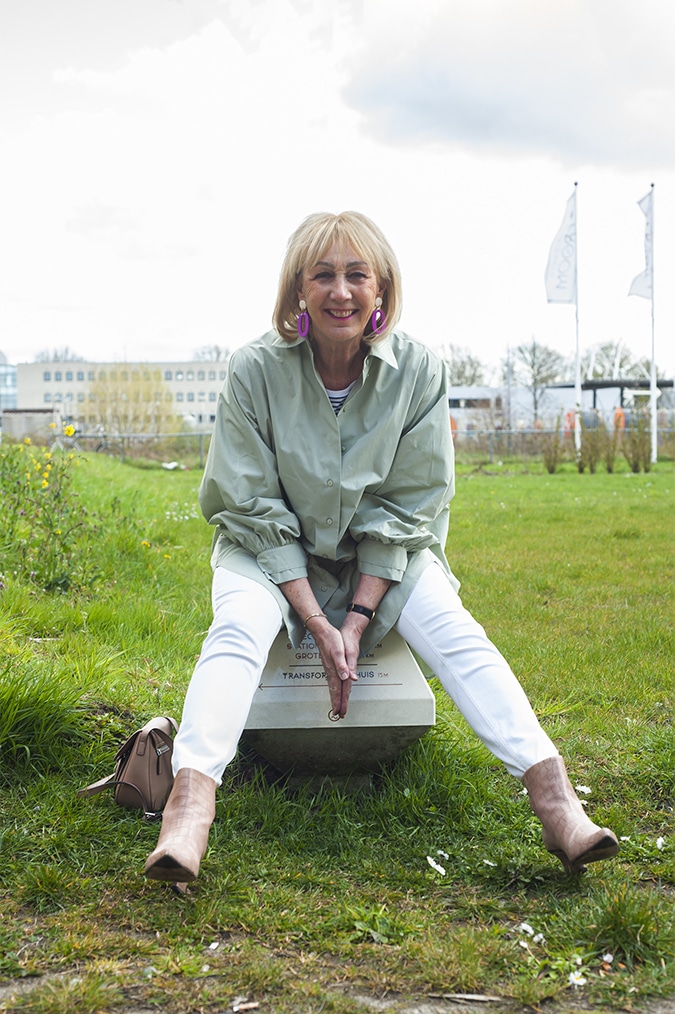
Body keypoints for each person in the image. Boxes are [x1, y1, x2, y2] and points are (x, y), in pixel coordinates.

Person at [145, 211, 619, 885]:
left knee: (456, 634)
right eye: (322, 275)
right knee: (237, 630)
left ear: (381, 288)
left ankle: (557, 804)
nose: (340, 291)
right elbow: (247, 500)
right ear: (297, 289)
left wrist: (359, 616)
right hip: (267, 551)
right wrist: (316, 619)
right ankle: (189, 813)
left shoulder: (418, 370)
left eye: (356, 275)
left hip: (382, 556)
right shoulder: (255, 368)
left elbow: (410, 504)